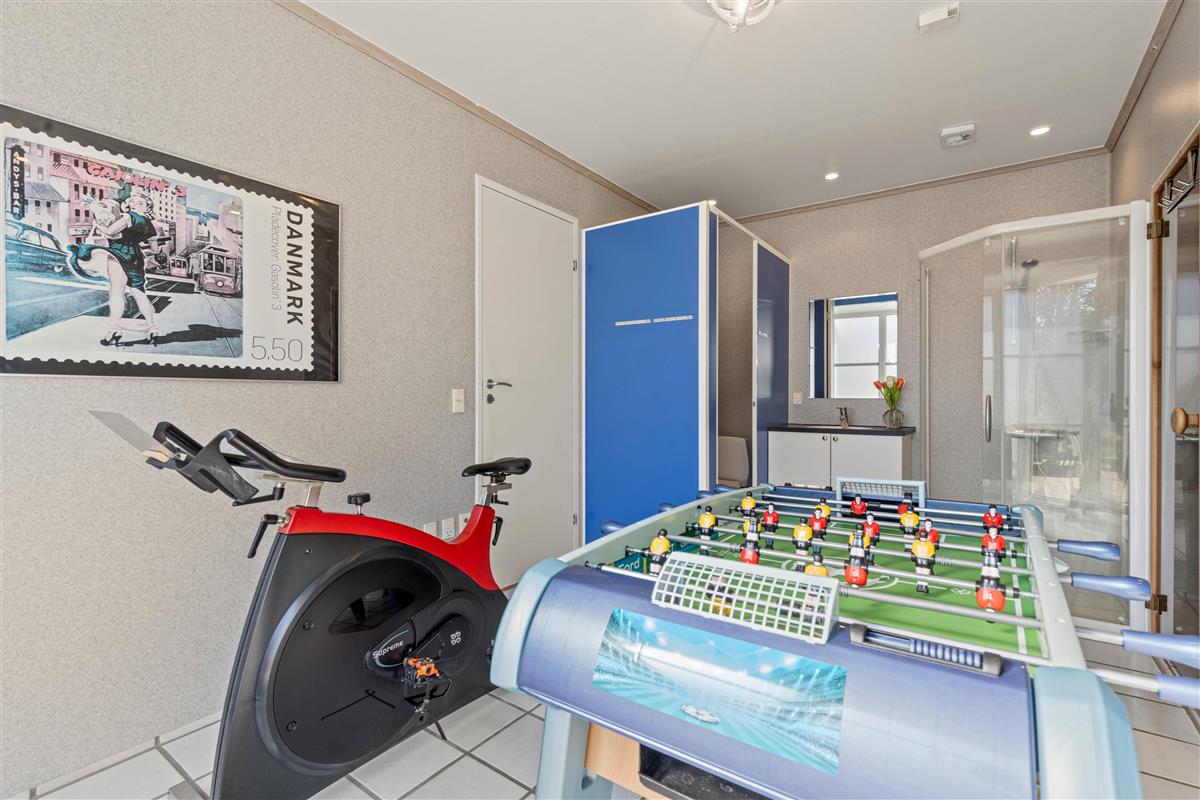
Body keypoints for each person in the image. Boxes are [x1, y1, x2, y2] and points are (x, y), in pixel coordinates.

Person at [78, 189, 165, 346]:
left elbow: (110, 232)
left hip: (118, 254)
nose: (135, 204)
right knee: (139, 292)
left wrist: (97, 225)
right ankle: (152, 329)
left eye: (139, 202)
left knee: (117, 292)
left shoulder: (128, 217)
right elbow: (155, 250)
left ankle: (114, 330)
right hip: (136, 257)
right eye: (133, 201)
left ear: (147, 207)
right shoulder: (150, 225)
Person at [911, 526, 936, 593]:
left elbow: (932, 553)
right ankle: (920, 585)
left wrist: (931, 559)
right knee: (919, 573)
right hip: (920, 560)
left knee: (924, 573)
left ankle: (924, 586)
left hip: (924, 561)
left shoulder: (929, 544)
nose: (923, 538)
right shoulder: (917, 543)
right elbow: (913, 552)